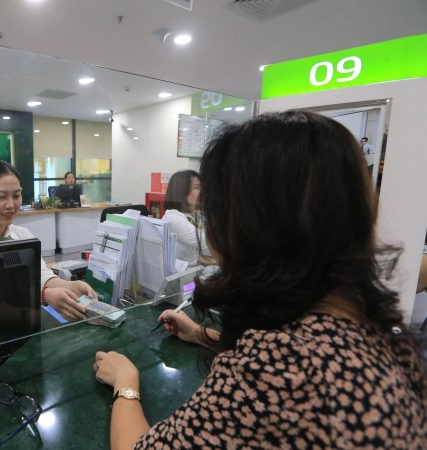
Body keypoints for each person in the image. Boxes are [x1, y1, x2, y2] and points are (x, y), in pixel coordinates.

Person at [94, 111, 426, 449]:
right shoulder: (376, 326)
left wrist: (125, 383)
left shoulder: (274, 371)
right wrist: (201, 335)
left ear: (248, 224)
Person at [0, 160, 95, 321]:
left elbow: (41, 275)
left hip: (24, 322)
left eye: (16, 195)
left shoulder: (23, 236)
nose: (11, 205)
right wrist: (43, 295)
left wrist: (71, 286)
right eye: (1, 196)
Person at [161, 170, 210, 266]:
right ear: (181, 191)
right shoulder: (173, 218)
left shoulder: (198, 214)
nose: (202, 192)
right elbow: (207, 245)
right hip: (184, 274)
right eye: (197, 188)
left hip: (198, 268)